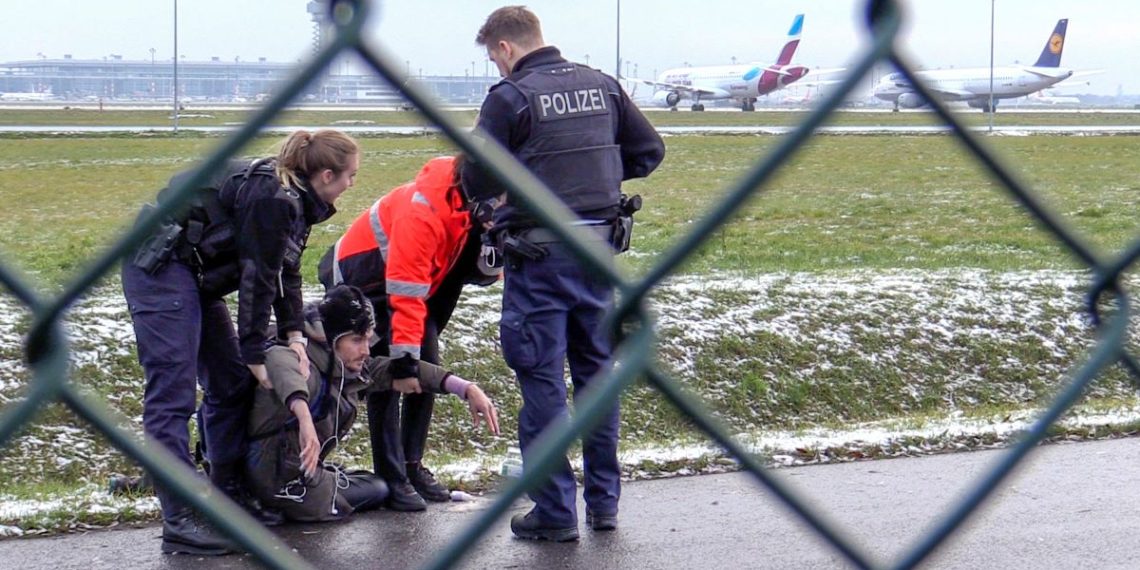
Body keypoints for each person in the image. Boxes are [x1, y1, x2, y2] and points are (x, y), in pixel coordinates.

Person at [463, 6, 666, 542]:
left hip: (538, 259)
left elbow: (474, 173)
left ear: (505, 48)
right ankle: (604, 505)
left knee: (543, 384)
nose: (496, 69)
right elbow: (649, 151)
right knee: (598, 379)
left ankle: (555, 512)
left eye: (493, 58)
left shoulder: (511, 98)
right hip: (599, 254)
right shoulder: (602, 86)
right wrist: (594, 176)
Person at [121, 129, 360, 555]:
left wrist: (294, 336)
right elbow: (257, 280)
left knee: (229, 382)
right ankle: (181, 517)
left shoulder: (298, 201)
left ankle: (226, 492)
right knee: (172, 396)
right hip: (159, 268)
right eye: (349, 176)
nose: (352, 185)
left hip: (196, 276)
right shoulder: (274, 198)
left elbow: (285, 271)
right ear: (325, 175)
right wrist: (253, 351)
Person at [318, 154, 500, 511]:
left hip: (412, 285)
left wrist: (493, 244)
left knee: (426, 364)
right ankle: (391, 473)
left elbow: (469, 275)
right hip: (364, 277)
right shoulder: (424, 211)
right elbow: (405, 292)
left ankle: (412, 465)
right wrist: (404, 364)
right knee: (390, 374)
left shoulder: (466, 202)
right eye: (500, 201)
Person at [245, 284, 499, 522]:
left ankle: (313, 486)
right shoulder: (302, 361)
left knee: (373, 484)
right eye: (356, 340)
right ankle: (270, 504)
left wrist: (466, 388)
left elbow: (398, 370)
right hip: (274, 478)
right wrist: (303, 415)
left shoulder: (342, 367)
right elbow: (282, 364)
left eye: (367, 339)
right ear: (331, 339)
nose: (366, 350)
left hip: (293, 470)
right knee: (373, 491)